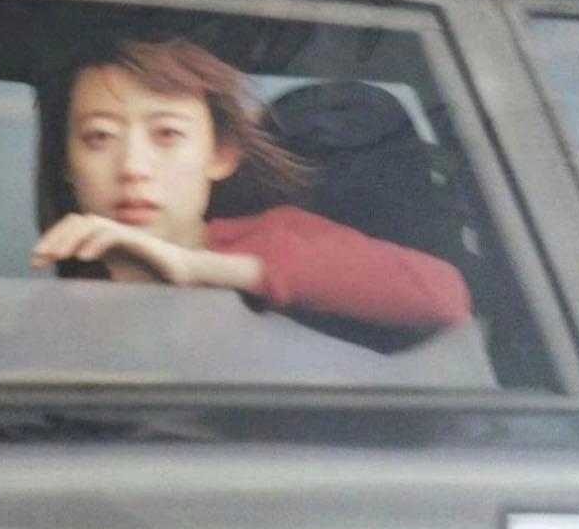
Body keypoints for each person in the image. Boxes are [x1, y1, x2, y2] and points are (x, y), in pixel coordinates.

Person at [31, 36, 471, 331]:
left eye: (167, 134)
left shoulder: (273, 241)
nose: (132, 167)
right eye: (99, 137)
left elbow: (441, 296)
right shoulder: (50, 294)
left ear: (221, 154)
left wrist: (198, 268)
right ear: (67, 164)